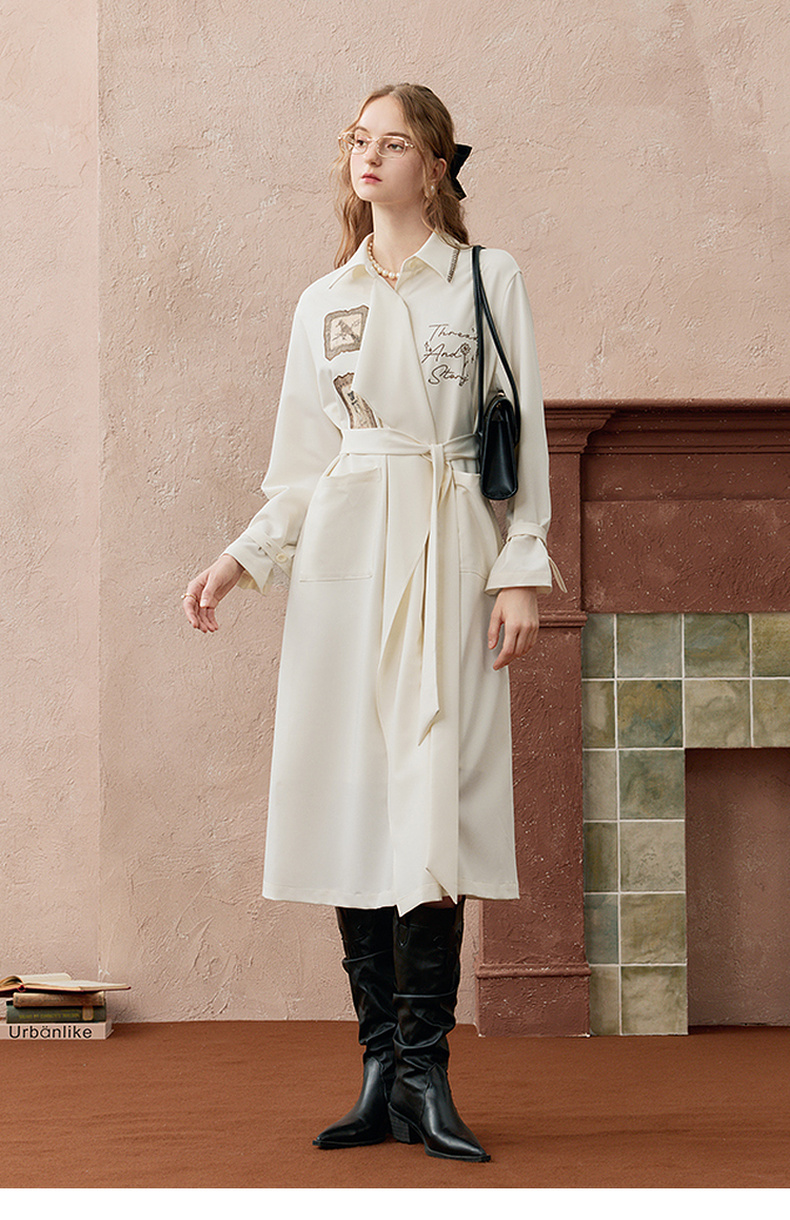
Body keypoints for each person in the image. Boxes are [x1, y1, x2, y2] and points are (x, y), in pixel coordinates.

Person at [183, 83, 563, 1163]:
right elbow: (302, 466)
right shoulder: (324, 301)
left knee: (433, 794)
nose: (370, 155)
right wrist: (239, 559)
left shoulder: (486, 279)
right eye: (360, 139)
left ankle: (428, 1071)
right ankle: (381, 1071)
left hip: (451, 550)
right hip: (344, 562)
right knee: (354, 798)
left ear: (436, 165)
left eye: (394, 142)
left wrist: (520, 569)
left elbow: (524, 431)